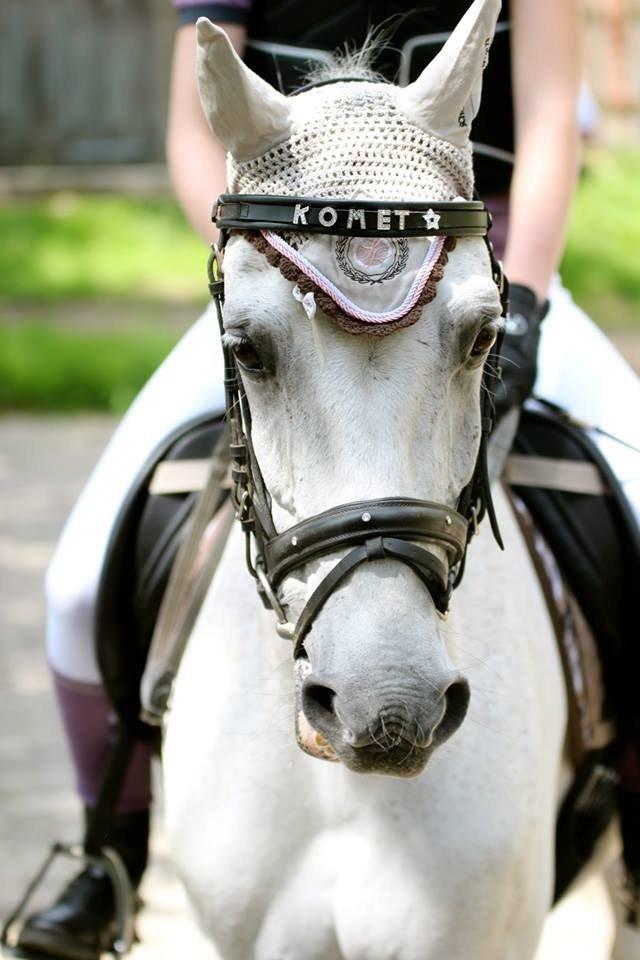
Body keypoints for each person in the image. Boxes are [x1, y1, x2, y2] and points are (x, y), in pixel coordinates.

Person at [14, 2, 640, 958]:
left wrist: (524, 303)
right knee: (77, 581)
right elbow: (198, 131)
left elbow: (552, 116)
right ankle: (111, 855)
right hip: (285, 260)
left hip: (473, 263)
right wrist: (254, 256)